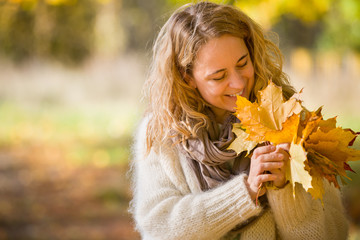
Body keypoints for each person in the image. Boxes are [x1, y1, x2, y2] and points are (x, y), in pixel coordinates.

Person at [129, 2, 349, 239]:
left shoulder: (290, 119)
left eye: (243, 64)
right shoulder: (162, 131)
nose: (238, 84)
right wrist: (246, 191)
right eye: (219, 76)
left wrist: (285, 191)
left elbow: (331, 233)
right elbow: (158, 228)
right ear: (187, 77)